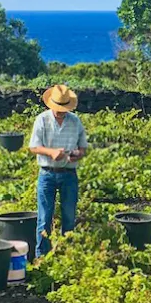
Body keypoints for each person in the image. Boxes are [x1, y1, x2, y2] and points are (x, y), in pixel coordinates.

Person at [29, 84, 89, 259]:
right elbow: (33, 147)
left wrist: (77, 155)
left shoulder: (75, 121)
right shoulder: (42, 119)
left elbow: (83, 148)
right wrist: (51, 152)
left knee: (69, 217)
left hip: (69, 174)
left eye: (63, 108)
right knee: (44, 218)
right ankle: (42, 256)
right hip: (47, 173)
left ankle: (66, 253)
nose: (60, 112)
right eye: (58, 108)